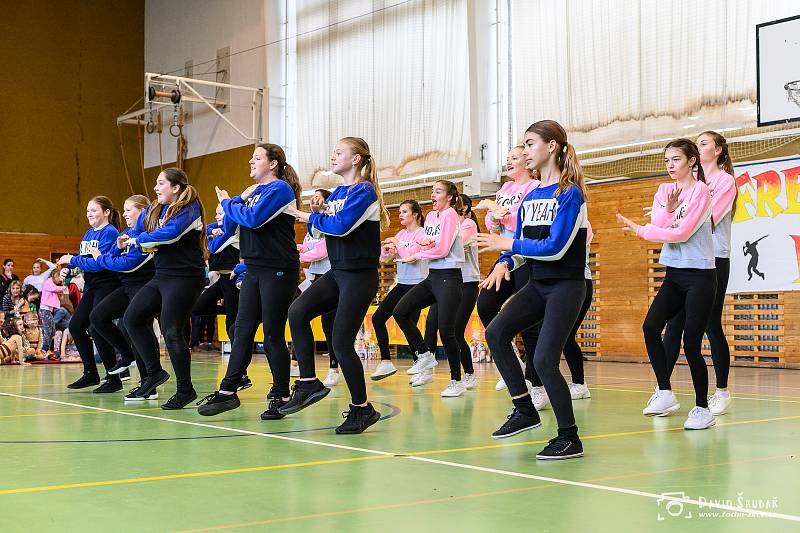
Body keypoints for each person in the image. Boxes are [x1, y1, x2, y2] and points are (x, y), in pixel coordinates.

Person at [478, 120, 589, 459]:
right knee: (495, 333)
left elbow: (555, 247)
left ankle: (569, 437)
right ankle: (524, 409)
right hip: (539, 284)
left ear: (552, 146)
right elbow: (525, 247)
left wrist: (507, 242)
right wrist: (505, 262)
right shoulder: (531, 196)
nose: (524, 151)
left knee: (543, 360)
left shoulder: (571, 194)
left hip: (567, 287)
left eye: (529, 144)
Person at [280, 137, 389, 434]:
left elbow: (339, 226)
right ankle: (308, 383)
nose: (333, 156)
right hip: (338, 272)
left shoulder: (365, 191)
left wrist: (311, 215)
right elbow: (326, 225)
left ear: (356, 159)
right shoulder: (339, 192)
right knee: (297, 312)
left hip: (359, 275)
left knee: (341, 343)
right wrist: (319, 213)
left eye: (339, 152)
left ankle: (362, 409)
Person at [617, 138, 716, 430]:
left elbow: (681, 233)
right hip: (675, 273)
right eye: (667, 161)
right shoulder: (664, 190)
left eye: (676, 159)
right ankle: (665, 391)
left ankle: (702, 408)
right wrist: (668, 211)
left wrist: (644, 229)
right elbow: (662, 223)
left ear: (692, 162)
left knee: (692, 344)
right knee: (650, 326)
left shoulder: (701, 192)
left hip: (700, 275)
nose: (671, 166)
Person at [197, 143, 301, 420]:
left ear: (273, 163)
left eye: (257, 158)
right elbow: (232, 226)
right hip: (254, 268)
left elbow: (253, 220)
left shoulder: (279, 190)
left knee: (272, 335)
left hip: (278, 269)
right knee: (240, 329)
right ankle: (228, 390)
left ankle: (281, 394)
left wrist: (229, 202)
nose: (251, 162)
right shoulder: (253, 193)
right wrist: (236, 202)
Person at [663, 131, 738, 415]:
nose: (699, 145)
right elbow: (670, 217)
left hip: (713, 259)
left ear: (718, 150)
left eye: (705, 142)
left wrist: (676, 222)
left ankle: (721, 391)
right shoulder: (687, 183)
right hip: (685, 259)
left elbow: (711, 220)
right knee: (673, 324)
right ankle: (663, 390)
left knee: (710, 324)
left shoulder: (723, 181)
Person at [121, 168, 207, 409]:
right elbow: (138, 230)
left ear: (176, 187)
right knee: (132, 319)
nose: (156, 188)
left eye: (161, 184)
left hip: (185, 278)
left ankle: (185, 390)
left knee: (171, 332)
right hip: (162, 276)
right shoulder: (156, 208)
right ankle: (154, 373)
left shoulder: (190, 209)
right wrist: (129, 238)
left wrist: (137, 240)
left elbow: (169, 235)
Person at [475, 146, 540, 392]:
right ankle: (511, 356)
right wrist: (494, 214)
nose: (508, 162)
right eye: (507, 159)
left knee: (531, 322)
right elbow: (492, 225)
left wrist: (497, 210)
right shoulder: (504, 190)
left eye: (514, 158)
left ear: (528, 161)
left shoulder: (533, 188)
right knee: (486, 304)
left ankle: (536, 384)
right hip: (504, 254)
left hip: (524, 253)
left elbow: (520, 221)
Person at [393, 180, 466, 397]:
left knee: (446, 332)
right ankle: (424, 354)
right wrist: (425, 243)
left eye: (438, 192)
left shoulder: (451, 214)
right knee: (400, 311)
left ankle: (457, 380)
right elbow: (433, 242)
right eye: (432, 191)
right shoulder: (432, 217)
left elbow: (443, 249)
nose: (433, 195)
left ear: (450, 197)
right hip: (432, 276)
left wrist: (418, 254)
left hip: (449, 277)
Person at [88, 194, 158, 398]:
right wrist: (116, 250)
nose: (125, 214)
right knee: (97, 318)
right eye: (124, 210)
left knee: (133, 327)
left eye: (129, 210)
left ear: (142, 211)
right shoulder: (126, 233)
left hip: (144, 287)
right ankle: (126, 355)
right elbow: (110, 256)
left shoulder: (148, 234)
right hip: (126, 287)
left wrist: (104, 259)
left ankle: (148, 383)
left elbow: (126, 264)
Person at [57, 196, 121, 390]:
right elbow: (84, 261)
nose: (89, 214)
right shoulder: (89, 233)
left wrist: (74, 260)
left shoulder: (110, 233)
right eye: (87, 211)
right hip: (91, 286)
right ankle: (90, 373)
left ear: (106, 212)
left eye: (93, 210)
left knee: (97, 325)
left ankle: (113, 378)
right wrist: (70, 269)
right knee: (76, 326)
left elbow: (97, 263)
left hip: (107, 284)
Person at [371, 200, 429, 381]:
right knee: (378, 318)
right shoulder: (401, 234)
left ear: (416, 215)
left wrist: (396, 243)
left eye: (405, 211)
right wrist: (387, 249)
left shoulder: (422, 234)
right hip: (402, 284)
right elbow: (384, 259)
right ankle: (386, 361)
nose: (401, 215)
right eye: (400, 211)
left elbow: (409, 257)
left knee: (408, 326)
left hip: (417, 285)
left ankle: (422, 367)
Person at [297, 189, 341, 387]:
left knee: (330, 324)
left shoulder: (328, 222)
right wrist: (296, 249)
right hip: (316, 277)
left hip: (332, 276)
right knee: (299, 313)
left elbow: (321, 251)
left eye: (319, 197)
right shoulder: (311, 227)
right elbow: (308, 247)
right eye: (312, 196)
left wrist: (298, 257)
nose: (314, 199)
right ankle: (297, 362)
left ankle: (334, 368)